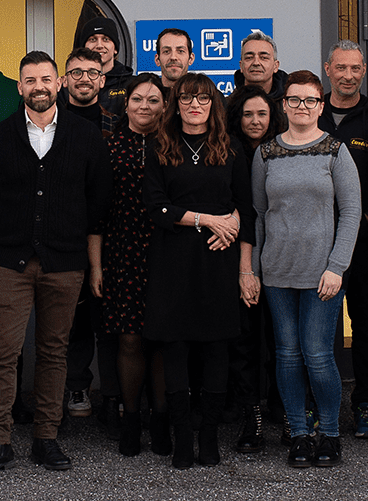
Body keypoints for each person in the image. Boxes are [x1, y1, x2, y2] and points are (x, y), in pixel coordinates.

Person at [0, 52, 112, 478]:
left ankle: (46, 437)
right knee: (2, 353)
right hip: (10, 263)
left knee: (53, 352)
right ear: (20, 87)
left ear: (59, 83)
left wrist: (74, 241)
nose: (39, 87)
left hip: (64, 262)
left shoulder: (85, 135)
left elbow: (99, 199)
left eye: (46, 79)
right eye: (30, 80)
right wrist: (6, 236)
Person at [144, 72, 255, 469]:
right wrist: (207, 220)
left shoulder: (231, 148)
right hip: (172, 262)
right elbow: (155, 207)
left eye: (203, 99)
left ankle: (208, 438)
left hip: (218, 261)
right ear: (176, 104)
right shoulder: (159, 145)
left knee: (216, 349)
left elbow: (246, 207)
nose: (194, 105)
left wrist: (242, 260)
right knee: (175, 348)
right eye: (187, 98)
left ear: (213, 104)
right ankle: (181, 440)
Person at [250, 72, 361, 470]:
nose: (302, 107)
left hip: (322, 276)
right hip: (276, 273)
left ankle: (329, 433)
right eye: (294, 100)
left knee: (317, 355)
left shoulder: (335, 151)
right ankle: (298, 433)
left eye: (310, 100)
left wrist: (337, 267)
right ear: (284, 105)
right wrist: (253, 271)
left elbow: (351, 212)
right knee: (287, 355)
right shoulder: (265, 154)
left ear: (320, 105)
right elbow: (258, 216)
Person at [90, 73, 168, 458]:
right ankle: (131, 418)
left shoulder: (173, 146)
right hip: (121, 253)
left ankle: (162, 420)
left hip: (166, 252)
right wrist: (95, 266)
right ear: (126, 103)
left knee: (162, 338)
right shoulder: (108, 147)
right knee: (129, 338)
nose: (144, 106)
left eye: (153, 100)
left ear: (164, 106)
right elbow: (96, 214)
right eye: (138, 99)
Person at [316, 40, 368, 440]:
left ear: (364, 71)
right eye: (341, 68)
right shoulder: (311, 111)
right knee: (318, 329)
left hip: (364, 244)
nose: (348, 75)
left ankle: (367, 404)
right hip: (315, 244)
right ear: (328, 69)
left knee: (366, 326)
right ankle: (319, 405)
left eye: (355, 68)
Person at [225, 85, 283, 452]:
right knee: (243, 341)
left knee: (281, 341)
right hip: (238, 259)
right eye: (247, 114)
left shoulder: (283, 150)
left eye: (262, 114)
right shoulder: (227, 151)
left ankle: (284, 408)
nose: (255, 121)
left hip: (279, 259)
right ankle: (250, 414)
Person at [59, 47, 111, 417]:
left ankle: (114, 394)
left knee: (110, 320)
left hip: (112, 233)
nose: (84, 79)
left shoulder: (116, 123)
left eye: (92, 72)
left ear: (102, 80)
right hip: (67, 235)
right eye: (76, 72)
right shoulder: (52, 122)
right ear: (64, 80)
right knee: (71, 321)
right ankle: (76, 387)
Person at [77, 17, 132, 123]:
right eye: (93, 40)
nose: (99, 45)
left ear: (115, 49)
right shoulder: (71, 84)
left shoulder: (131, 85)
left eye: (106, 39)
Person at [233, 31, 288, 100]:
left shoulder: (290, 104)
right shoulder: (225, 105)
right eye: (249, 58)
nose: (256, 63)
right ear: (241, 66)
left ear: (275, 66)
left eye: (264, 58)